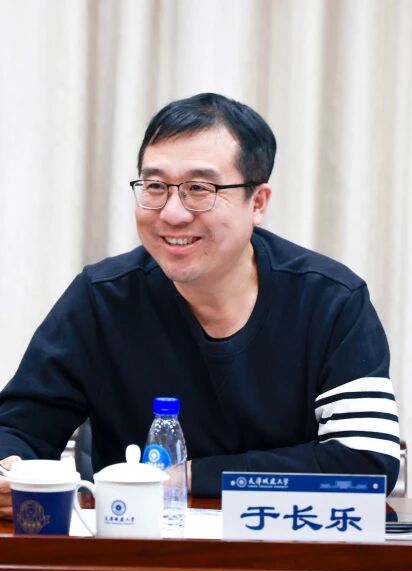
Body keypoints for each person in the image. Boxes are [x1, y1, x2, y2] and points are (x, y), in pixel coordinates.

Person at [0, 93, 400, 518]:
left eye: (198, 189)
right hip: (138, 552)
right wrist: (8, 468)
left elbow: (368, 461)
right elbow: (18, 428)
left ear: (258, 202)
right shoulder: (103, 298)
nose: (172, 213)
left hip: (292, 549)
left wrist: (187, 477)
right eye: (155, 187)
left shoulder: (330, 300)